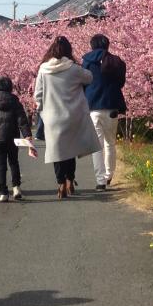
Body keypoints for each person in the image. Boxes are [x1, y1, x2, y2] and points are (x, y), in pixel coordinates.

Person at [33, 35, 99, 198]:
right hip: (72, 116)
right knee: (70, 149)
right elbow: (89, 77)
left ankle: (60, 183)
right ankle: (70, 180)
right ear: (68, 51)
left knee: (57, 151)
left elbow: (38, 94)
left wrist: (41, 110)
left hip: (52, 117)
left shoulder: (43, 69)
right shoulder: (74, 69)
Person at [82, 34, 127, 191]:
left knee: (97, 146)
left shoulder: (87, 61)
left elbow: (83, 83)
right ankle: (109, 176)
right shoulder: (116, 61)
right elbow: (121, 82)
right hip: (112, 107)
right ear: (108, 45)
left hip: (93, 107)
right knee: (110, 143)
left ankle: (100, 181)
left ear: (92, 45)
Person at [0, 77, 31, 202]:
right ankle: (16, 188)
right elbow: (22, 120)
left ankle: (3, 192)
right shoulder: (15, 102)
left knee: (1, 166)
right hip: (12, 138)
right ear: (11, 88)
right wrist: (27, 134)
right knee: (14, 162)